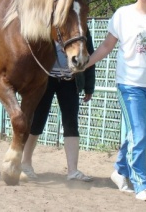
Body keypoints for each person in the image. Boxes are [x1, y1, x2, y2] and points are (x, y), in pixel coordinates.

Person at [86, 0, 146, 201]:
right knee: (140, 133)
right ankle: (141, 184)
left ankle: (120, 170)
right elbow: (106, 46)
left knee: (141, 135)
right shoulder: (123, 15)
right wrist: (86, 64)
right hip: (130, 84)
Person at [21, 28, 95, 182]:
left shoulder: (80, 27)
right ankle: (25, 164)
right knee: (36, 122)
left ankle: (73, 171)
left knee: (71, 124)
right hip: (45, 80)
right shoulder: (45, 26)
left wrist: (89, 86)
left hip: (70, 80)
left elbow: (89, 55)